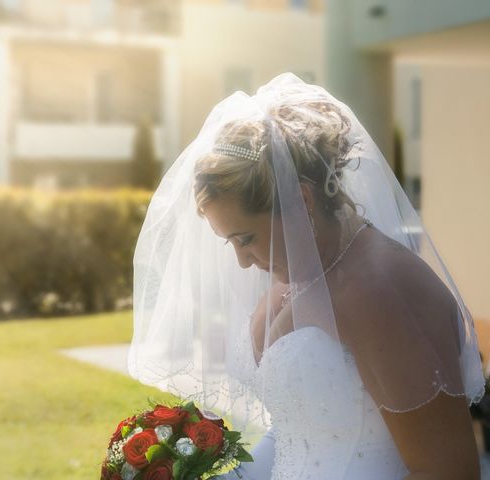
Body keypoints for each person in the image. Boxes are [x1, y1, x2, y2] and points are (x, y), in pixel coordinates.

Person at [128, 73, 485, 479]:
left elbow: (450, 471)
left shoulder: (381, 290)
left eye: (246, 238)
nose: (244, 262)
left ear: (303, 199)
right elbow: (297, 435)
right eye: (231, 243)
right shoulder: (297, 271)